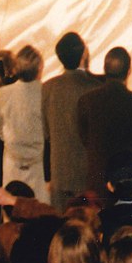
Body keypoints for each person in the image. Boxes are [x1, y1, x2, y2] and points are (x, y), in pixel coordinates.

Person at [78, 45, 132, 199]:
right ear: (129, 71)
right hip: (131, 178)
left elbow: (84, 137)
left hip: (97, 178)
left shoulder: (86, 101)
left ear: (104, 69)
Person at [42, 30, 102, 207]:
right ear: (83, 54)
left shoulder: (48, 88)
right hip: (87, 175)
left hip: (60, 173)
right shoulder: (95, 88)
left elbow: (45, 132)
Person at [0, 43, 48, 201]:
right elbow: (49, 131)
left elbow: (0, 129)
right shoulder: (46, 92)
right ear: (39, 68)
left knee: (11, 207)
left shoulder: (2, 93)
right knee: (39, 209)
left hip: (12, 161)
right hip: (39, 163)